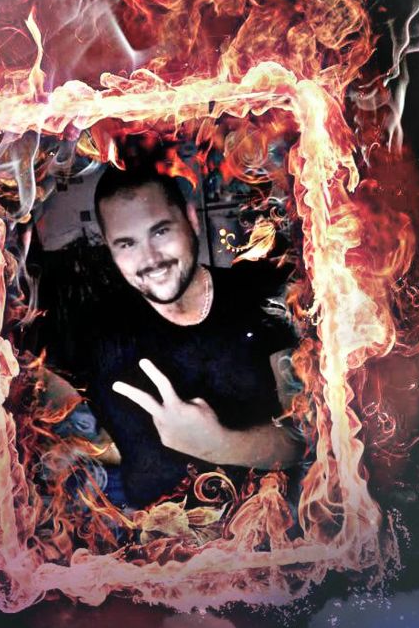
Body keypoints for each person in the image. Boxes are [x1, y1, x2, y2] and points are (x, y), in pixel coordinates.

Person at [42, 163, 304, 509]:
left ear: (191, 219)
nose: (150, 259)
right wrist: (76, 448)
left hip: (263, 523)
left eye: (161, 231)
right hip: (153, 535)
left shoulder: (260, 296)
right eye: (126, 243)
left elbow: (302, 439)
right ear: (110, 248)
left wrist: (218, 444)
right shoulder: (92, 332)